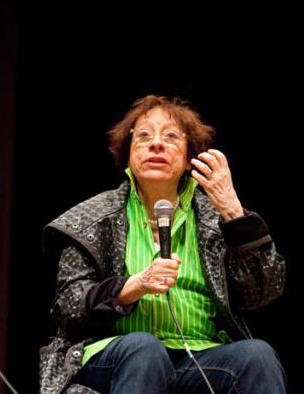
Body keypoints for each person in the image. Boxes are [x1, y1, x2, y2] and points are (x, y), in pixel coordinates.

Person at [40, 95, 286, 394]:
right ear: (127, 154)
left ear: (188, 158)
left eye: (170, 137)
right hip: (115, 356)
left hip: (201, 357)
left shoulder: (214, 219)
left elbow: (264, 292)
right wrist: (134, 286)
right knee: (145, 348)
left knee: (256, 355)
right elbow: (68, 309)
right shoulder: (91, 219)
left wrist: (234, 212)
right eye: (144, 136)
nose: (156, 144)